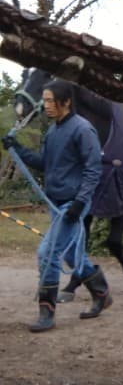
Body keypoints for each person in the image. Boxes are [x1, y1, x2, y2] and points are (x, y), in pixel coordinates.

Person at [2, 79, 112, 332]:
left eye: (51, 100)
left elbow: (93, 170)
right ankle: (102, 293)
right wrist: (17, 148)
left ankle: (46, 313)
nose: (46, 105)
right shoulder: (53, 131)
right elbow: (46, 163)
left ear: (67, 102)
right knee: (73, 255)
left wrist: (80, 203)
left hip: (72, 203)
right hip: (55, 202)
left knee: (48, 254)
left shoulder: (83, 130)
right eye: (45, 100)